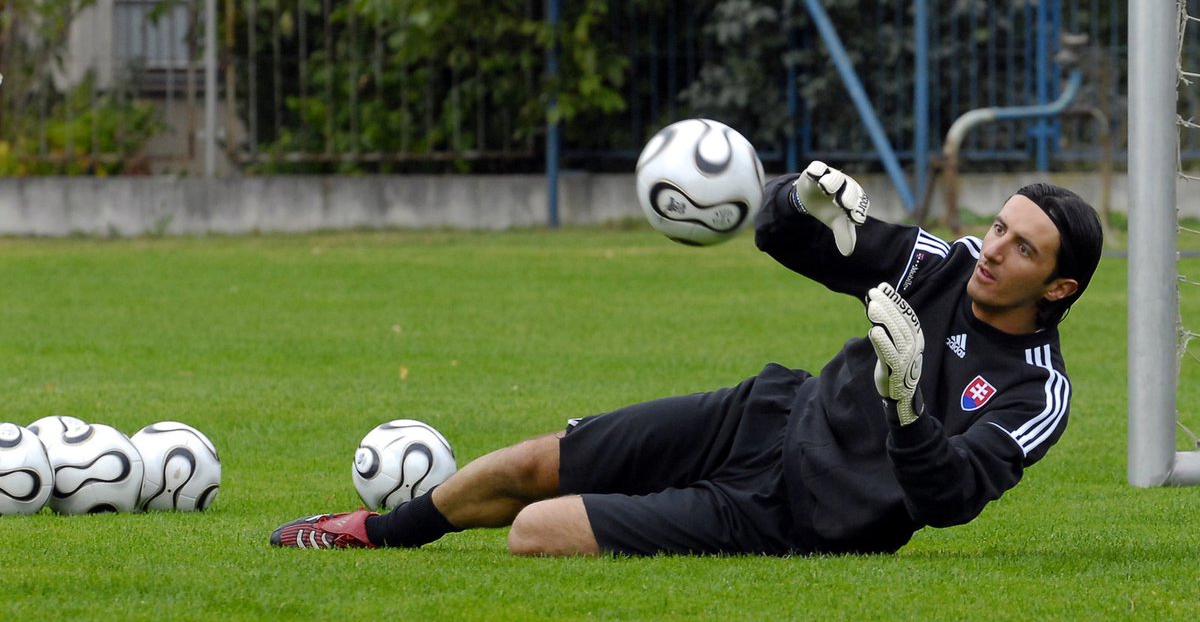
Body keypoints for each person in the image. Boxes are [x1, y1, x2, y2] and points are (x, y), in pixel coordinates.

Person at [270, 161, 1104, 556]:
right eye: (998, 225)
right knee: (536, 462)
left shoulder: (1039, 391)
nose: (993, 248)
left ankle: (658, 512)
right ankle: (376, 535)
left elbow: (951, 497)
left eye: (1021, 247)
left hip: (802, 517)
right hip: (763, 414)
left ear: (1059, 285)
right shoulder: (940, 262)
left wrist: (904, 405)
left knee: (535, 532)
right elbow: (787, 239)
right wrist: (795, 200)